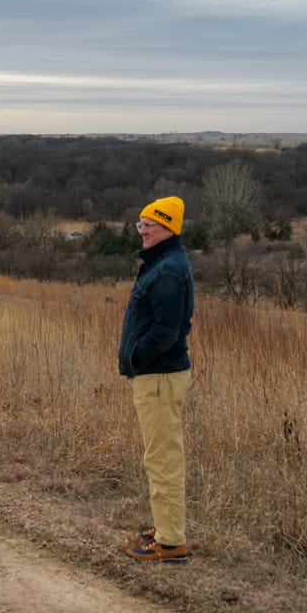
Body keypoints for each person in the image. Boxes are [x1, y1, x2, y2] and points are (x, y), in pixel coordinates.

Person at [118, 196, 194, 563]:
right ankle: (165, 526)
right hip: (158, 375)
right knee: (160, 455)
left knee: (163, 458)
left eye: (150, 224)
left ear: (169, 228)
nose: (143, 230)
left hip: (160, 376)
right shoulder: (163, 263)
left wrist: (136, 356)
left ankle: (170, 543)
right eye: (141, 224)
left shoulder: (167, 271)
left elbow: (166, 330)